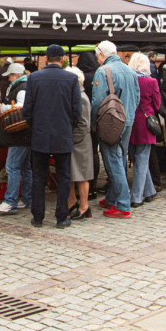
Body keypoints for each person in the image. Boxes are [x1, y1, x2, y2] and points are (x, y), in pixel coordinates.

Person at [23, 44, 80, 227]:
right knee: (63, 176)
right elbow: (76, 111)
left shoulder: (34, 78)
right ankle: (61, 217)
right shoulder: (71, 79)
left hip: (40, 133)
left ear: (46, 59)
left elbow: (27, 110)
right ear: (63, 59)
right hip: (62, 133)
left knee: (38, 176)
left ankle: (38, 217)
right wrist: (68, 127)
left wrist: (35, 125)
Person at [91, 40, 139, 218]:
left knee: (113, 161)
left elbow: (97, 101)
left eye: (97, 57)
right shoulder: (130, 70)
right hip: (127, 119)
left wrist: (96, 124)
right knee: (120, 158)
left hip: (110, 122)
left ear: (102, 54)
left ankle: (123, 204)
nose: (97, 60)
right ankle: (113, 197)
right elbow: (137, 96)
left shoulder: (103, 71)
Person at [0, 62, 32, 214]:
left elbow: (22, 107)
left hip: (19, 135)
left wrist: (2, 107)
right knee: (25, 168)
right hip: (25, 135)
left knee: (12, 166)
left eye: (9, 76)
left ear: (15, 75)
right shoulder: (25, 86)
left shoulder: (21, 88)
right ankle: (28, 199)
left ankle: (10, 202)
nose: (8, 79)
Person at [127, 52, 161, 206]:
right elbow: (157, 104)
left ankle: (149, 191)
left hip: (130, 122)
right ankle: (137, 197)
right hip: (145, 122)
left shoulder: (128, 80)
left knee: (138, 158)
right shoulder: (151, 81)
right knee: (142, 159)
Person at [63, 65, 94, 219]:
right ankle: (72, 201)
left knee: (82, 176)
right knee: (71, 174)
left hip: (80, 141)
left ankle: (84, 206)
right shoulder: (74, 96)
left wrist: (72, 139)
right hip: (74, 139)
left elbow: (83, 124)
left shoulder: (81, 97)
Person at [75, 51, 102, 198]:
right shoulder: (99, 74)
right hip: (98, 119)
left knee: (86, 154)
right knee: (94, 153)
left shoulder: (83, 77)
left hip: (85, 119)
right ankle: (93, 185)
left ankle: (86, 185)